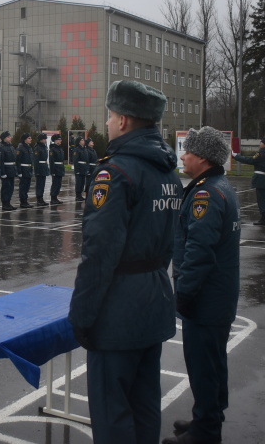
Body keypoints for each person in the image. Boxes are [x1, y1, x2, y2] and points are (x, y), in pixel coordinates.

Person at [69, 80, 181, 444]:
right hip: (153, 299)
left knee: (112, 411)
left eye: (110, 115)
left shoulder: (115, 173)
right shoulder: (166, 170)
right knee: (145, 404)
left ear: (124, 120)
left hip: (117, 311)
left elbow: (98, 255)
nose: (106, 123)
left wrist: (82, 316)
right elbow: (170, 242)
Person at [163, 126, 240, 444]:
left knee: (204, 365)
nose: (183, 156)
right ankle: (205, 419)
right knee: (212, 362)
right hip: (217, 298)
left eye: (189, 152)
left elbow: (199, 252)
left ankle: (206, 432)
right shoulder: (218, 185)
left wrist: (184, 295)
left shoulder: (206, 193)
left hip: (206, 300)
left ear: (204, 159)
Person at [232, 137, 265, 226]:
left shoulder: (261, 154)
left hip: (260, 178)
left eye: (262, 142)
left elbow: (250, 160)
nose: (260, 143)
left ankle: (264, 219)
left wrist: (236, 156)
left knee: (261, 199)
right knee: (264, 199)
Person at [0, 131, 17, 211]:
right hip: (6, 170)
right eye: (9, 137)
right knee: (5, 188)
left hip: (11, 170)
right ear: (4, 138)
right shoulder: (2, 147)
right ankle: (5, 204)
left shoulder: (11, 147)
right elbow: (1, 161)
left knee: (11, 188)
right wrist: (2, 172)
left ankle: (8, 202)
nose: (10, 138)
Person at [16, 133, 34, 208]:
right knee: (23, 186)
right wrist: (19, 172)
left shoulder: (29, 148)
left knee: (27, 186)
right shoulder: (20, 148)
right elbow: (18, 161)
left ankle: (25, 201)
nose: (31, 139)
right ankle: (23, 202)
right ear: (25, 139)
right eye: (29, 138)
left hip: (28, 169)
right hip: (23, 169)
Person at [33, 133, 50, 206]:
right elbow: (36, 160)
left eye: (45, 139)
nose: (45, 140)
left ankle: (41, 198)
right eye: (44, 139)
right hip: (40, 167)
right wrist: (36, 171)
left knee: (42, 184)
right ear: (40, 140)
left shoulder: (44, 147)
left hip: (44, 167)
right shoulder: (37, 148)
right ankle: (39, 199)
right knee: (39, 184)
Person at [49, 133, 65, 204]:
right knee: (55, 184)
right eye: (59, 139)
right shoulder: (53, 149)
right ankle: (53, 198)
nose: (60, 141)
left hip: (60, 168)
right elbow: (51, 161)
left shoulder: (60, 149)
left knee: (58, 184)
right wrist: (52, 171)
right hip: (56, 168)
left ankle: (56, 197)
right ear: (55, 140)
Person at [72, 136, 88, 201]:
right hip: (79, 167)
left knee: (82, 182)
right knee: (78, 182)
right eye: (81, 140)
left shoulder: (84, 149)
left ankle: (80, 194)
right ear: (79, 142)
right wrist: (77, 170)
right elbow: (75, 161)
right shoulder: (76, 150)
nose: (83, 141)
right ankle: (77, 195)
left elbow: (86, 160)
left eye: (83, 140)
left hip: (84, 168)